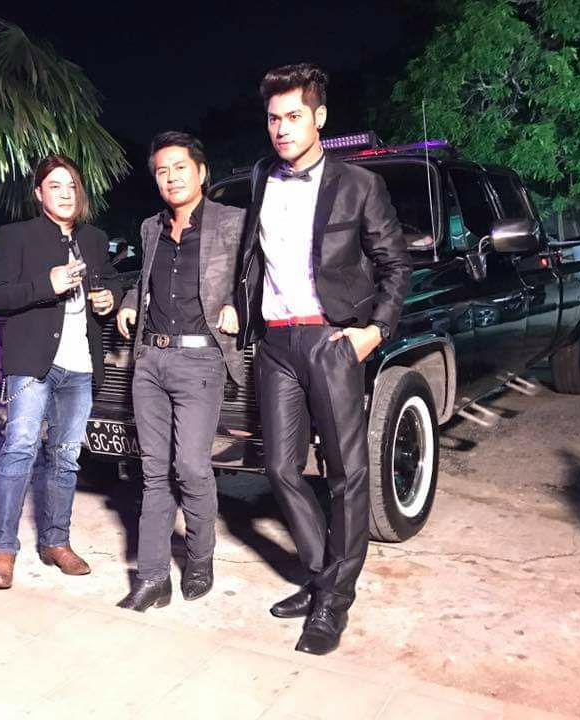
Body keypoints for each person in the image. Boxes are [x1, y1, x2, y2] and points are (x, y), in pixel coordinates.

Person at [236, 64, 411, 654]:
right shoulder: (261, 176)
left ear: (320, 118)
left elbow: (395, 264)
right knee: (280, 467)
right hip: (276, 342)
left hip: (331, 338)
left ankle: (335, 599)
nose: (281, 128)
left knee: (346, 473)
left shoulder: (359, 185)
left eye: (293, 116)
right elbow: (251, 255)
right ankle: (321, 577)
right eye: (273, 118)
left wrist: (373, 332)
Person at [115, 132, 245, 611]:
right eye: (161, 171)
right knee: (153, 472)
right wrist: (130, 301)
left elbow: (254, 274)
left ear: (201, 172)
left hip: (200, 359)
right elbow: (144, 277)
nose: (170, 178)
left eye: (179, 168)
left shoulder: (232, 221)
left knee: (190, 466)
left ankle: (199, 558)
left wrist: (239, 305)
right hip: (150, 360)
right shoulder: (151, 227)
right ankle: (152, 578)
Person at [0, 154, 121, 590]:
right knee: (19, 449)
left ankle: (56, 542)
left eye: (71, 185)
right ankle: (2, 551)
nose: (65, 193)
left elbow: (112, 279)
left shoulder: (95, 238)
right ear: (39, 193)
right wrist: (48, 284)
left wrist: (111, 298)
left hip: (81, 365)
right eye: (55, 185)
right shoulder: (17, 235)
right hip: (32, 363)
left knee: (66, 457)